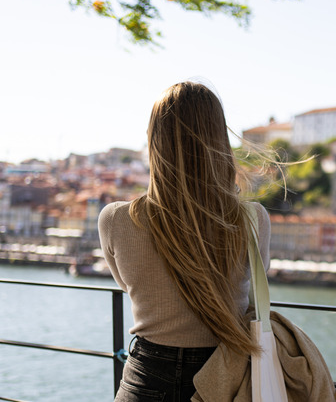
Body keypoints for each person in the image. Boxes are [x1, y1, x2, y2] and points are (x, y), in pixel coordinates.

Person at [98, 81, 271, 402]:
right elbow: (253, 290)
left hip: (147, 374)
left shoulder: (115, 218)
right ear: (219, 139)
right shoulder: (252, 217)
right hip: (225, 374)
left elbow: (129, 285)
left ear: (154, 140)